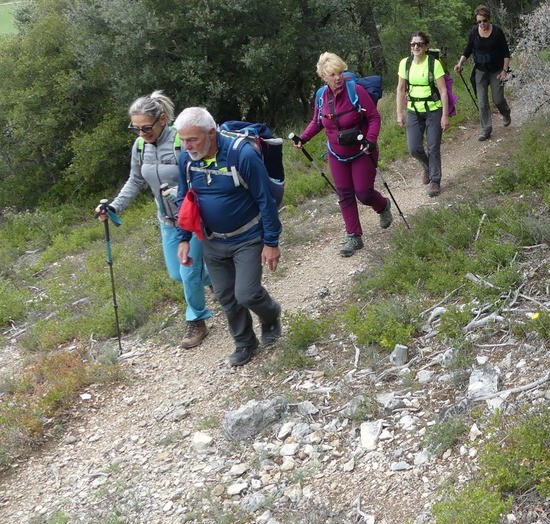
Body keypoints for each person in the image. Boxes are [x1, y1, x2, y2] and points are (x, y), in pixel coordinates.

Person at [97, 92, 212, 350]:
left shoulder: (181, 141)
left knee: (188, 270)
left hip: (191, 218)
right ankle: (223, 282)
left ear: (162, 119)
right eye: (135, 128)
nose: (141, 133)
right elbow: (136, 180)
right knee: (177, 274)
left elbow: (203, 172)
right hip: (166, 220)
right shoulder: (140, 147)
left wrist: (182, 195)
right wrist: (114, 205)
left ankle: (197, 321)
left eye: (146, 127)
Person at [174, 107, 283, 367]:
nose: (187, 146)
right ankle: (245, 343)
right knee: (226, 296)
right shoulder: (187, 160)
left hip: (247, 237)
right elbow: (183, 198)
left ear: (211, 133)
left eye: (192, 139)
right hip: (212, 240)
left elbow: (265, 200)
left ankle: (271, 316)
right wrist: (184, 237)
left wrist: (271, 242)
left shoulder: (242, 155)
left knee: (246, 293)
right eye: (183, 140)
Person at [295, 52, 393, 257]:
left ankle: (383, 206)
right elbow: (318, 121)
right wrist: (303, 138)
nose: (338, 78)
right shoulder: (321, 97)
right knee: (344, 194)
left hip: (362, 150)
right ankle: (354, 237)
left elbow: (374, 117)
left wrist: (371, 140)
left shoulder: (355, 90)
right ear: (323, 76)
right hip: (336, 154)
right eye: (332, 74)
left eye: (340, 72)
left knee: (364, 193)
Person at [396, 32, 450, 197]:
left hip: (433, 109)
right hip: (413, 110)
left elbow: (443, 91)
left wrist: (445, 115)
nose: (416, 47)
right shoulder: (405, 64)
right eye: (413, 44)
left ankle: (435, 180)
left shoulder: (434, 64)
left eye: (419, 44)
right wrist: (399, 112)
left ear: (426, 46)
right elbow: (400, 89)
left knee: (433, 147)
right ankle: (427, 167)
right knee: (414, 148)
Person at [454, 4, 511, 141]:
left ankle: (506, 112)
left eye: (484, 21)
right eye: (479, 21)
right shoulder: (474, 32)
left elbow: (506, 53)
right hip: (480, 71)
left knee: (497, 99)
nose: (482, 24)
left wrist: (504, 71)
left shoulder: (497, 32)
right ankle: (486, 129)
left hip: (496, 71)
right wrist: (460, 63)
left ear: (489, 19)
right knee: (482, 102)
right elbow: (468, 50)